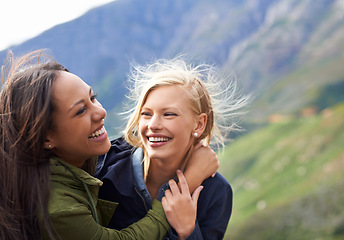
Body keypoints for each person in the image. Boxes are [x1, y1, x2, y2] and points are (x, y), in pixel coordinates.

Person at [0, 50, 219, 240]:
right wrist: (185, 186)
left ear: (199, 123)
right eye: (80, 111)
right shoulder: (60, 207)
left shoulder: (218, 192)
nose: (101, 112)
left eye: (92, 98)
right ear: (46, 138)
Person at [95, 57, 248, 239]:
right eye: (146, 114)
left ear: (199, 124)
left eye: (169, 114)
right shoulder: (103, 165)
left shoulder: (216, 191)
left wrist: (187, 232)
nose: (153, 124)